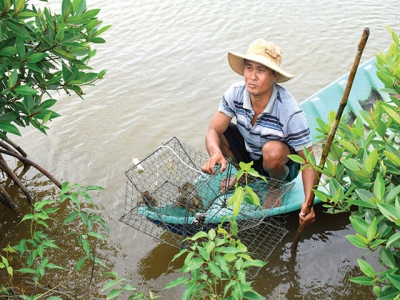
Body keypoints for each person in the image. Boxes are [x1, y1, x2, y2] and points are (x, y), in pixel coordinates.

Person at [201, 39, 316, 227]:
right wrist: (215, 153)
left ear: (275, 76)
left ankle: (275, 186)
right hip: (251, 155)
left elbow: (309, 161)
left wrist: (309, 202)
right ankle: (246, 174)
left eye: (261, 70)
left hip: (281, 165)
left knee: (272, 151)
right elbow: (213, 130)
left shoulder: (289, 111)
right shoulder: (235, 93)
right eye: (249, 68)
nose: (252, 76)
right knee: (223, 132)